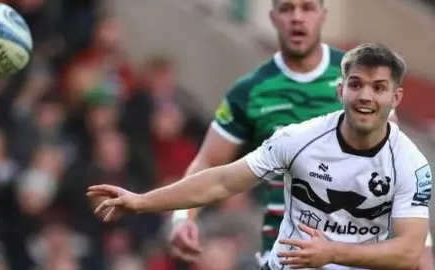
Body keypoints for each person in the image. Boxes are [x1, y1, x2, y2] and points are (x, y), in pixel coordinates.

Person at [87, 43, 432, 270]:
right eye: (356, 84)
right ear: (340, 91)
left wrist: (333, 253)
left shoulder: (410, 164)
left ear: (396, 98)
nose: (365, 96)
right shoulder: (298, 139)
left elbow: (409, 251)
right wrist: (142, 201)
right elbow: (222, 181)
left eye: (379, 87)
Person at [168, 0, 434, 268]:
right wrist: (183, 218)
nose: (297, 18)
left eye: (307, 8)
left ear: (322, 15)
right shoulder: (252, 91)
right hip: (283, 253)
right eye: (287, 8)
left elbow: (395, 169)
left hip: (352, 255)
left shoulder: (361, 81)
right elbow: (211, 164)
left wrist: (423, 247)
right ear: (273, 17)